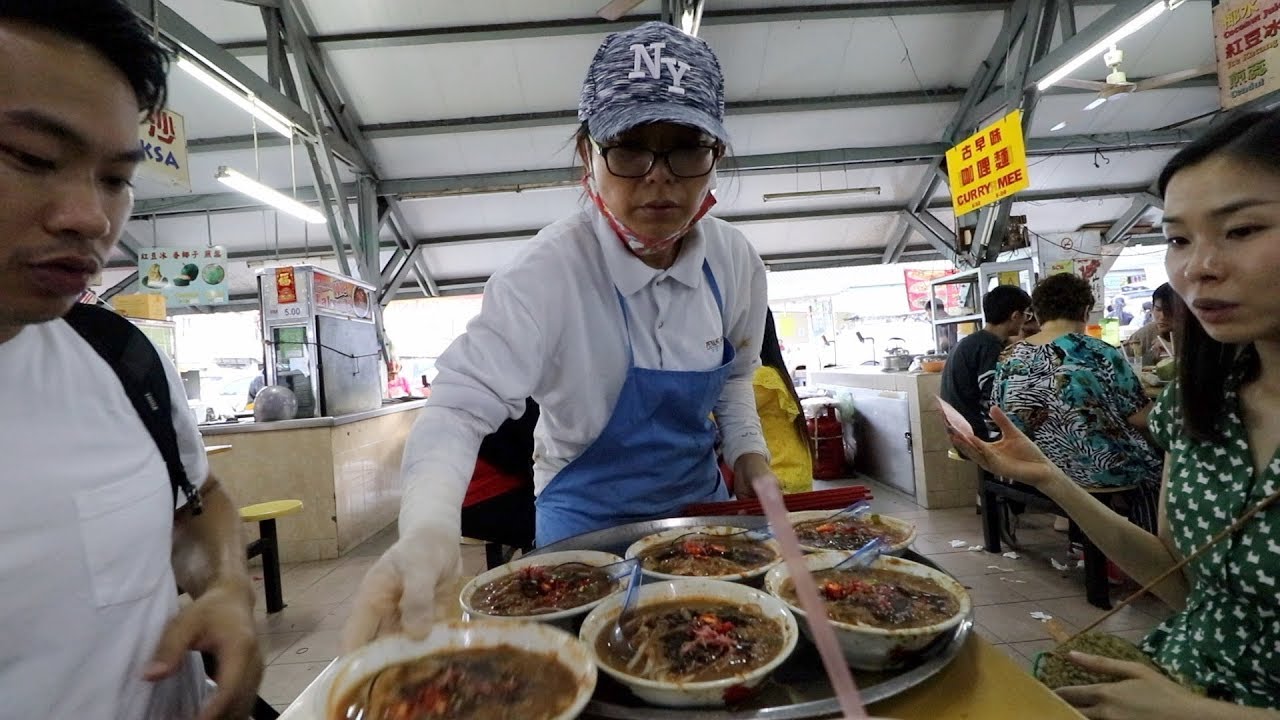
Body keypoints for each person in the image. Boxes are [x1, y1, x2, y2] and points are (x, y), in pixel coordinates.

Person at [344, 21, 774, 649]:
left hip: (699, 521)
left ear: (716, 156)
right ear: (587, 156)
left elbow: (735, 379)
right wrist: (428, 527)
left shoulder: (734, 265)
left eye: (686, 148)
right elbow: (459, 407)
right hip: (582, 534)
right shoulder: (545, 276)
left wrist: (751, 462)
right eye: (629, 149)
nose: (659, 178)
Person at [948, 110, 1280, 717]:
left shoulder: (1017, 355)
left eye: (1242, 230)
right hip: (1174, 670)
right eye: (1178, 239)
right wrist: (1049, 478)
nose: (1198, 267)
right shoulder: (1199, 402)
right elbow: (1181, 582)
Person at [0, 4, 262, 718]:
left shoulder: (117, 357)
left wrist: (226, 588)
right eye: (29, 156)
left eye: (115, 177)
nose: (90, 218)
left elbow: (198, 502)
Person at [990, 273, 1161, 532]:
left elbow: (1002, 412)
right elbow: (1139, 417)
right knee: (1156, 471)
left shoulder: (1010, 356)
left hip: (1037, 465)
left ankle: (1085, 543)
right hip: (1098, 470)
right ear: (1084, 311)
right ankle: (1155, 555)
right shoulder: (1099, 351)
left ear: (1037, 312)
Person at [939, 284, 1032, 439]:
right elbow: (992, 400)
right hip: (978, 435)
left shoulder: (972, 342)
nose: (1026, 321)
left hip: (960, 430)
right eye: (1026, 315)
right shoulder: (989, 347)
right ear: (1015, 316)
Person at [460, 398, 539, 564]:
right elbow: (530, 456)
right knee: (549, 518)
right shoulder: (518, 398)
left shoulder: (475, 395)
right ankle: (535, 565)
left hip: (460, 502)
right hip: (484, 506)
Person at [753, 309, 812, 493]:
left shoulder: (761, 377)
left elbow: (711, 414)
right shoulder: (773, 372)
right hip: (793, 476)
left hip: (779, 481)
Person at [1127, 283, 1178, 366]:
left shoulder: (1198, 334)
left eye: (1169, 311)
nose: (1162, 317)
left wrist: (1174, 351)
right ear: (1152, 308)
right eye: (1158, 309)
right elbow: (1121, 360)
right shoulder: (1144, 334)